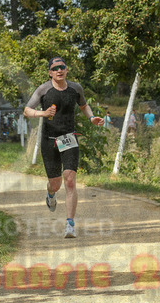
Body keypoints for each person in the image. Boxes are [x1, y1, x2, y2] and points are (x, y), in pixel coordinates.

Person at [23, 56, 103, 239]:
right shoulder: (43, 89)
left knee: (70, 180)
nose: (59, 70)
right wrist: (42, 113)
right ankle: (50, 192)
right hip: (49, 140)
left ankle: (70, 224)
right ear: (50, 72)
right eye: (55, 68)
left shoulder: (75, 88)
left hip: (68, 138)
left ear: (66, 70)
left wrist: (91, 118)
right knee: (56, 184)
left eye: (62, 67)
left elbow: (84, 105)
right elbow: (27, 110)